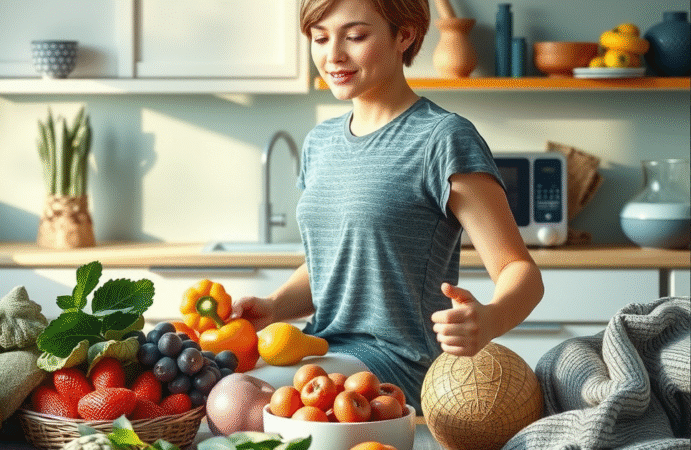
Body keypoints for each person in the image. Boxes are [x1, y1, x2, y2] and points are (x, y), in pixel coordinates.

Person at [233, 0, 544, 409]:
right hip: (321, 349)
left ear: (405, 35)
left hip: (398, 365)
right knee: (219, 384)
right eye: (320, 39)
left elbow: (518, 269)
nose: (333, 55)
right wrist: (274, 306)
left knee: (239, 398)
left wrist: (490, 319)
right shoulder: (319, 142)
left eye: (355, 36)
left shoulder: (443, 138)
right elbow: (335, 264)